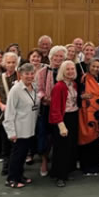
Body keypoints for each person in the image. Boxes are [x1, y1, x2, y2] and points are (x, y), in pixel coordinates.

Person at [3, 63, 39, 189]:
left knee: (23, 155)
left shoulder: (34, 87)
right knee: (17, 155)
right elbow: (9, 112)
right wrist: (11, 132)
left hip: (30, 128)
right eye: (26, 74)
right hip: (19, 129)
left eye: (31, 73)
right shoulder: (16, 90)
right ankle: (11, 179)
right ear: (20, 75)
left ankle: (20, 176)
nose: (30, 76)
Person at [36, 45, 67, 176]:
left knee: (60, 137)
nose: (58, 59)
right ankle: (44, 161)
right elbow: (39, 90)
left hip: (63, 109)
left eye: (61, 56)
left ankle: (59, 164)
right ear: (51, 57)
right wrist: (46, 98)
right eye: (56, 56)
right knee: (46, 137)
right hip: (47, 108)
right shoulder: (42, 72)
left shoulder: (66, 71)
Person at [49, 60, 79, 187]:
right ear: (62, 71)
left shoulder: (74, 84)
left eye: (72, 69)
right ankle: (59, 176)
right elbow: (55, 108)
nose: (71, 71)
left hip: (73, 116)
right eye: (68, 69)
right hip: (63, 119)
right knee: (61, 148)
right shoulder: (59, 86)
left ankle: (67, 171)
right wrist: (61, 125)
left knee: (70, 146)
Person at [0, 52, 19, 176]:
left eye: (13, 62)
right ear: (4, 63)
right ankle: (6, 164)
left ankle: (16, 164)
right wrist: (1, 105)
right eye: (8, 62)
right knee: (5, 140)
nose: (11, 65)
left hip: (18, 114)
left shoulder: (20, 76)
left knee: (16, 140)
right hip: (4, 113)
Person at [77, 58, 99, 176]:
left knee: (97, 139)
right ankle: (86, 166)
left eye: (98, 67)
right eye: (93, 66)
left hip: (98, 112)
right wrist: (81, 97)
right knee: (86, 136)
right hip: (86, 112)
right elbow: (79, 93)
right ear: (89, 67)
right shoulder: (83, 79)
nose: (95, 69)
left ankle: (96, 165)